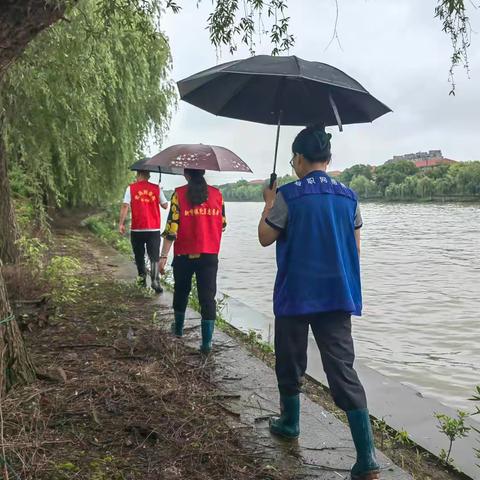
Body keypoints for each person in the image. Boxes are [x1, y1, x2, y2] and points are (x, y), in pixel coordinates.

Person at [258, 126, 380, 480]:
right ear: (328, 159)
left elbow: (266, 238)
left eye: (293, 158)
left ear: (297, 158)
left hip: (297, 294)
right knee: (343, 370)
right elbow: (354, 250)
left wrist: (269, 200)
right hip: (337, 295)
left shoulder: (289, 195)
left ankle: (290, 423)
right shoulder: (349, 197)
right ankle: (367, 458)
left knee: (290, 361)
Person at [159, 169, 226, 354]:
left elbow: (172, 229)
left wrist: (163, 256)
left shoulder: (178, 194)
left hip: (184, 254)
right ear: (203, 172)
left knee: (181, 291)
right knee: (207, 298)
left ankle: (179, 330)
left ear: (186, 175)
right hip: (209, 254)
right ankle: (206, 344)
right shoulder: (217, 194)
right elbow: (223, 223)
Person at [119, 170, 168, 292]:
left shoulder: (130, 188)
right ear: (149, 176)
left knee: (139, 255)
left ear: (138, 175)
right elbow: (165, 205)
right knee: (154, 257)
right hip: (153, 229)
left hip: (137, 229)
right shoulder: (156, 188)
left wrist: (121, 223)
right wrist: (158, 192)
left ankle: (141, 281)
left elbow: (125, 205)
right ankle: (155, 282)